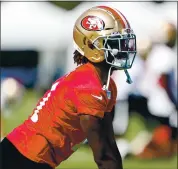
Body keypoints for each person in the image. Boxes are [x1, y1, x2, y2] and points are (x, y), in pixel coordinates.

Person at [0, 6, 137, 169]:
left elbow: (108, 143)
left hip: (28, 157)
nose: (123, 49)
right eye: (114, 43)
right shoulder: (88, 86)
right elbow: (104, 155)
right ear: (91, 45)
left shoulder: (106, 85)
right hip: (23, 159)